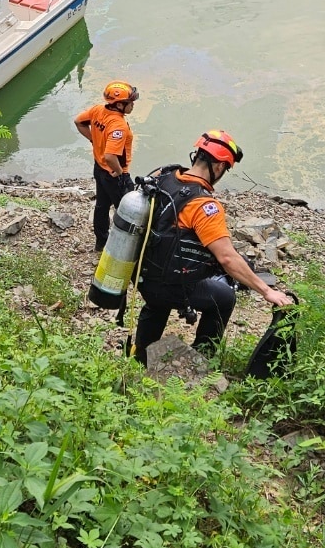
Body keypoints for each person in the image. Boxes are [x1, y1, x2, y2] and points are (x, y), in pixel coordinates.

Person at [129, 129, 293, 366]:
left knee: (157, 302)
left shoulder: (163, 177)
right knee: (224, 297)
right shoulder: (205, 205)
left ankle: (139, 356)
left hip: (143, 276)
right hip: (170, 285)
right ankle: (202, 356)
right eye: (225, 169)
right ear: (218, 167)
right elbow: (227, 258)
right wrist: (267, 291)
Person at [75, 81, 139, 250]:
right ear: (119, 104)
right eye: (130, 103)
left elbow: (79, 122)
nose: (133, 105)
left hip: (99, 168)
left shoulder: (97, 110)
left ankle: (101, 242)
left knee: (102, 206)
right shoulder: (118, 125)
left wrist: (93, 140)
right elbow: (111, 156)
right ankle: (126, 248)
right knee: (129, 212)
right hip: (115, 174)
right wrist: (119, 172)